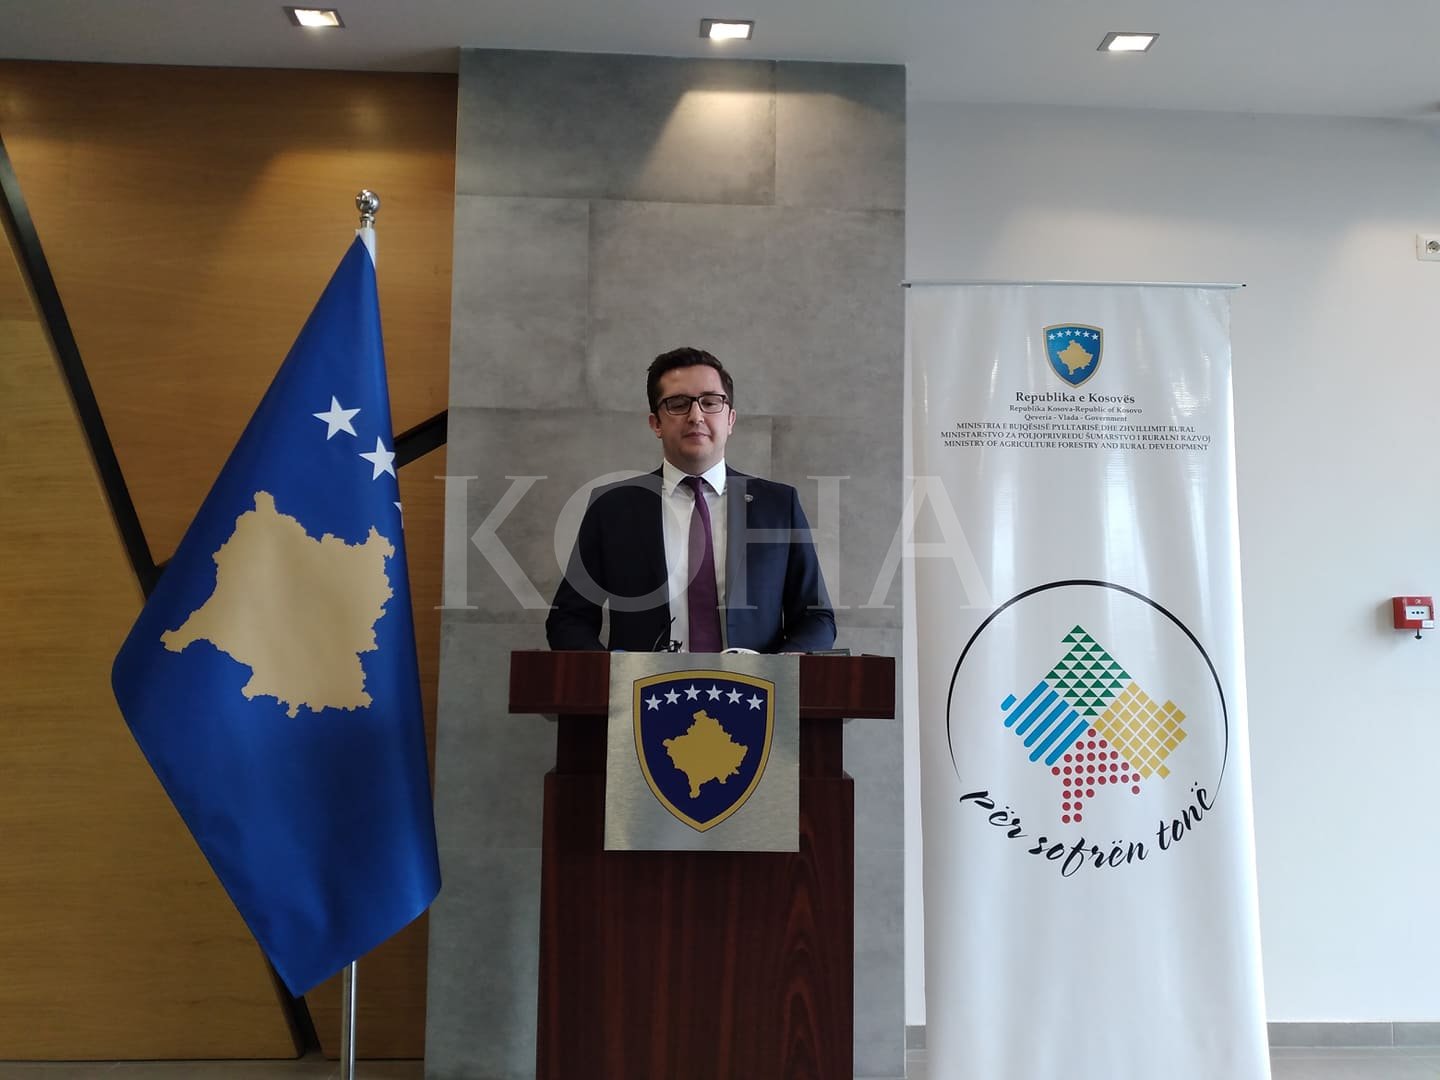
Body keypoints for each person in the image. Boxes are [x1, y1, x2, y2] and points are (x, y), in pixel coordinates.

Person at [546, 347, 836, 653]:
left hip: (754, 684)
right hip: (643, 684)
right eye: (678, 404)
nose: (696, 416)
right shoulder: (612, 508)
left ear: (730, 419)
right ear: (656, 423)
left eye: (710, 402)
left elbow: (816, 618)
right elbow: (569, 619)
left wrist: (780, 669)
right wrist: (608, 674)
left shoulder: (778, 506)